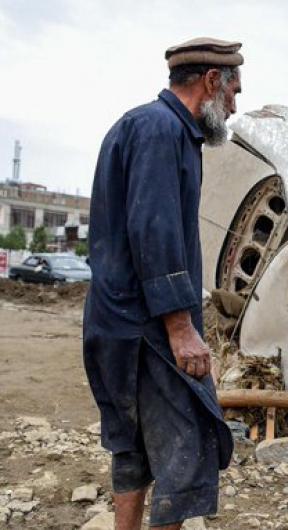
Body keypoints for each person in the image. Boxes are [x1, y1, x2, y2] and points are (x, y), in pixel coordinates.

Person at [83, 37, 243, 529]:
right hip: (148, 329)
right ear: (211, 82)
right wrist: (180, 327)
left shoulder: (145, 126)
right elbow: (153, 230)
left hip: (117, 321)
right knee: (185, 445)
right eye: (234, 91)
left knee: (132, 448)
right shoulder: (160, 132)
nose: (235, 106)